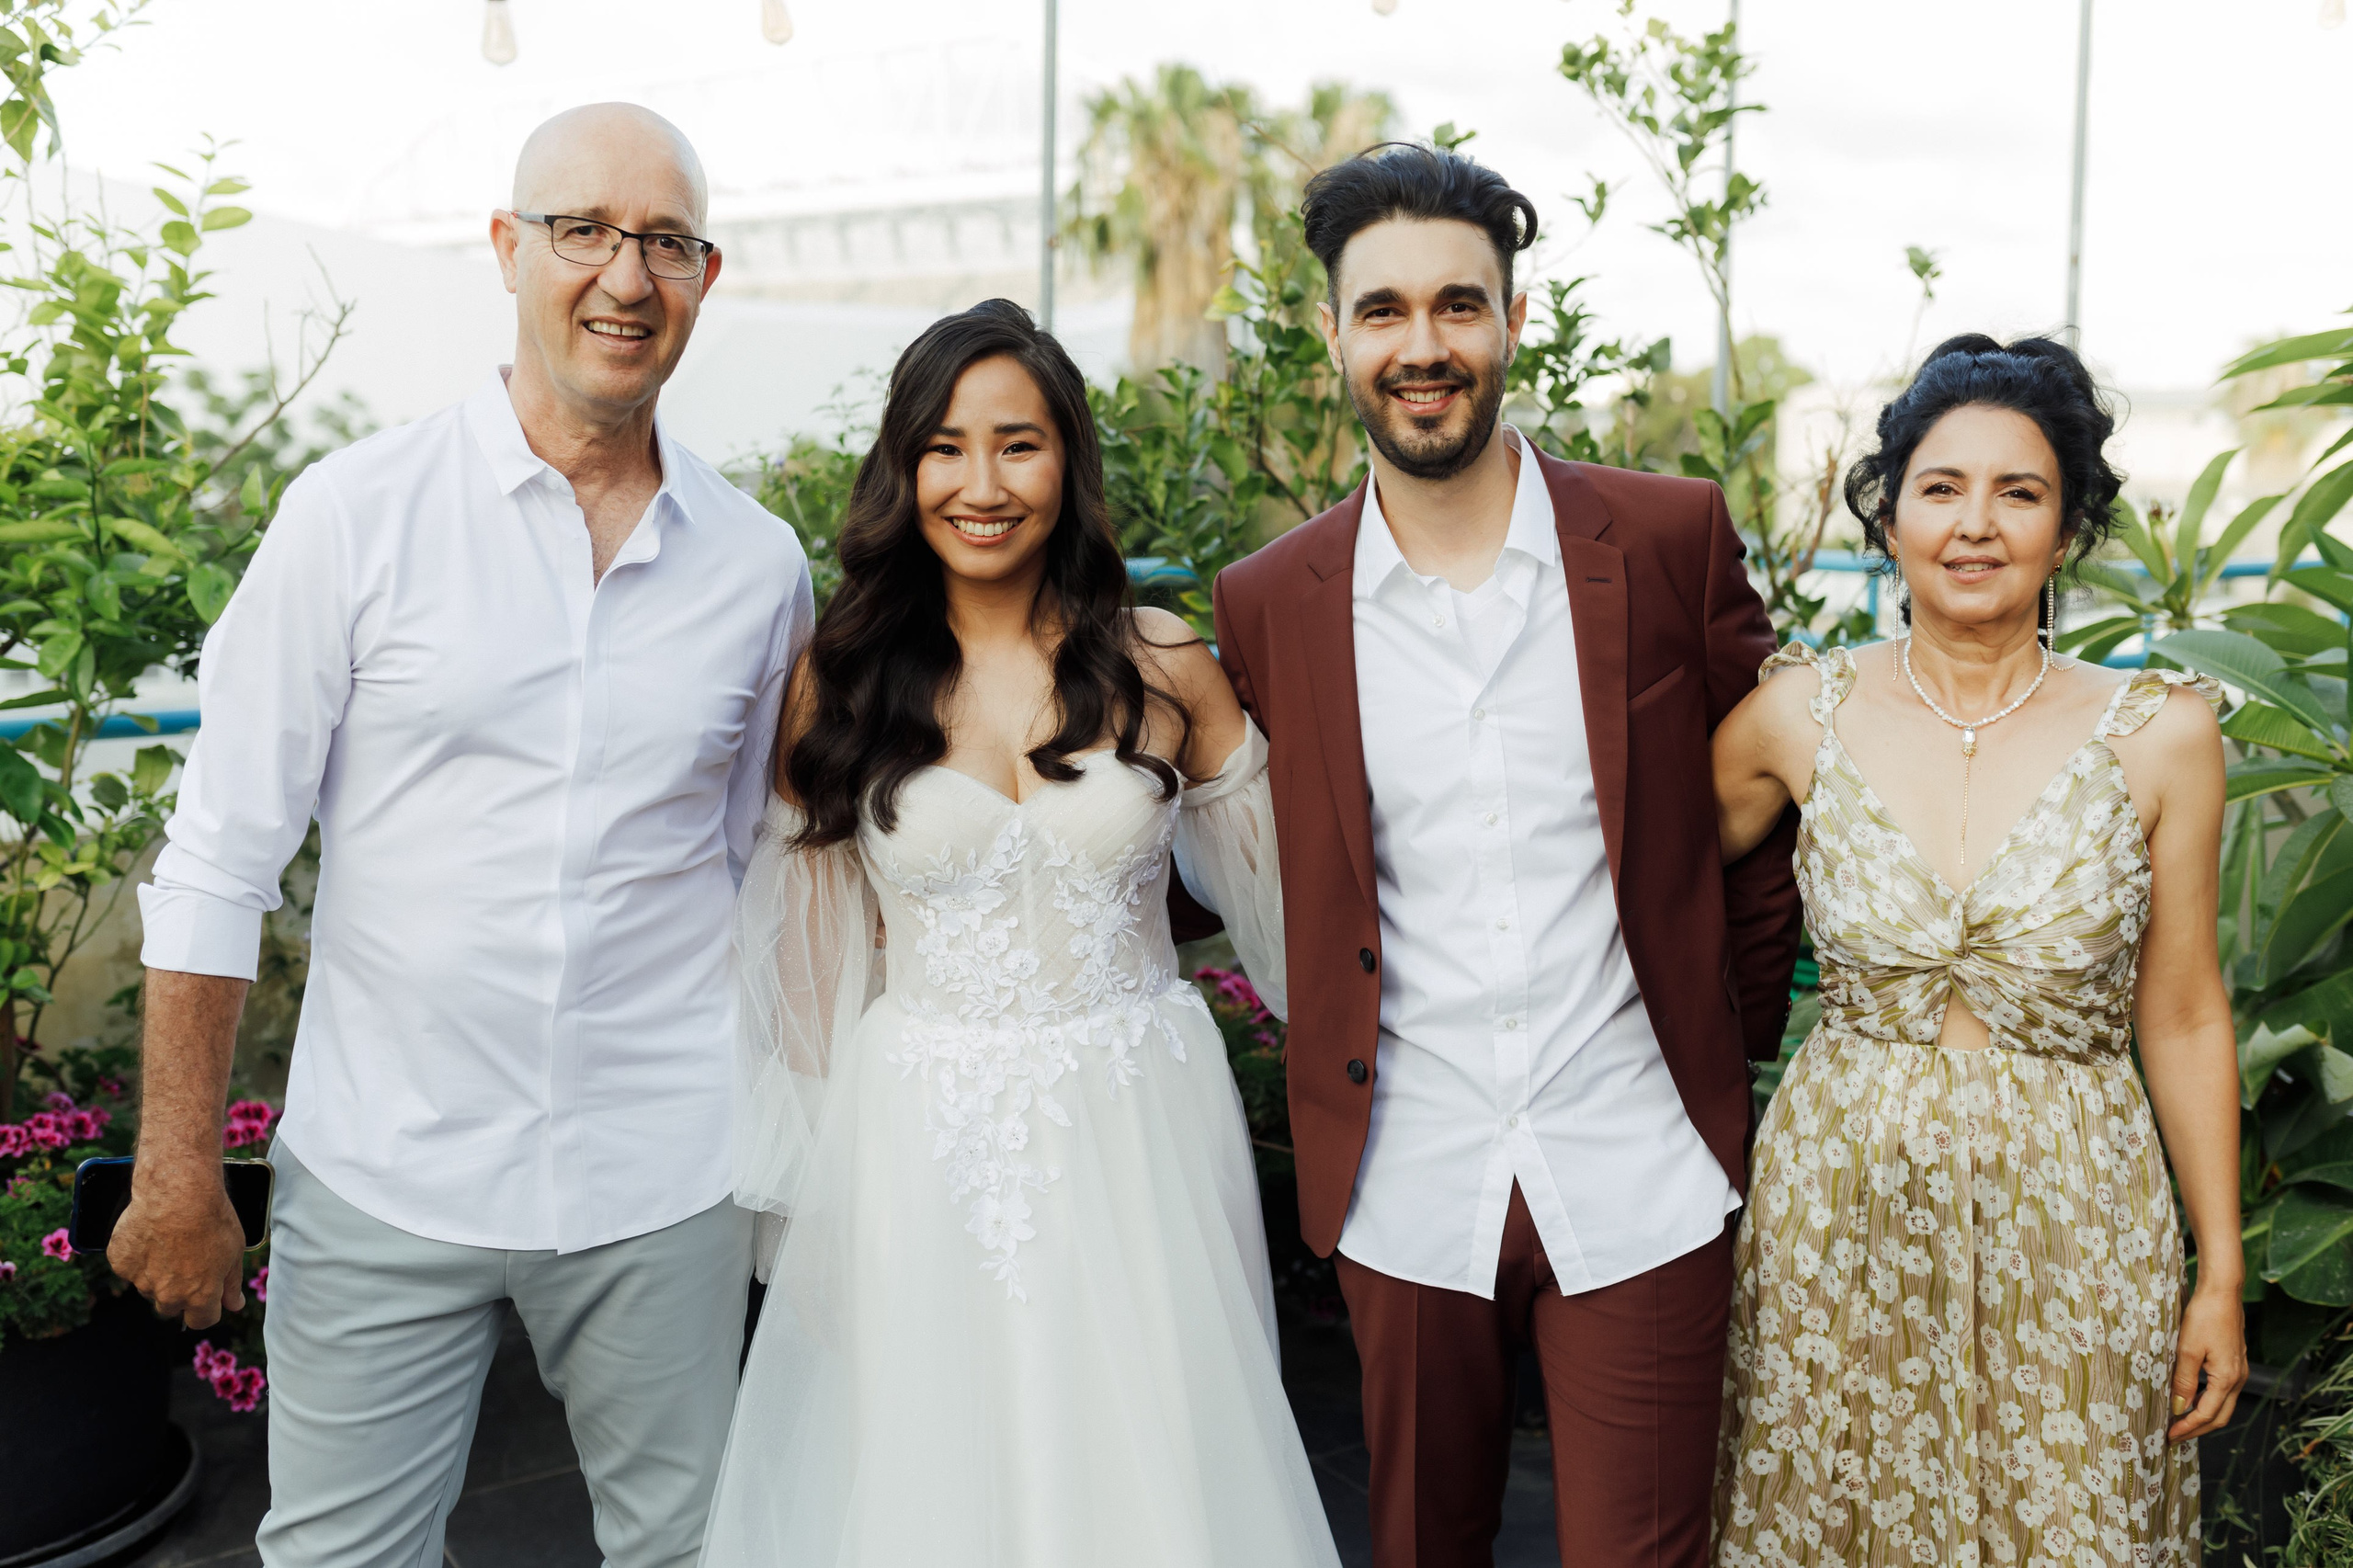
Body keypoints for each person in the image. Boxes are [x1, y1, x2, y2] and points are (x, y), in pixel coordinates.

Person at [109, 106, 810, 1567]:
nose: (626, 275)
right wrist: (175, 1171)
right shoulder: (351, 519)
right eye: (585, 231)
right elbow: (220, 857)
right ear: (507, 249)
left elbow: (758, 872)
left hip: (661, 1177)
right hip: (387, 1170)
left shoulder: (756, 566)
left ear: (705, 275)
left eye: (665, 242)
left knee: (702, 1548)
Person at [1210, 142, 1802, 1568]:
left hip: (1642, 1161)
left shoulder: (1667, 540)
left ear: (1514, 320)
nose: (1425, 346)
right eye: (1386, 311)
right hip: (1404, 1176)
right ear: (1334, 337)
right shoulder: (1269, 603)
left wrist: (1719, 1046)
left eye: (1459, 306)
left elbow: (1771, 806)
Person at [699, 299, 1337, 1567]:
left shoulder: (1163, 665)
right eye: (945, 445)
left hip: (1140, 1123)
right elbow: (811, 961)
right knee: (935, 1476)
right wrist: (819, 1218)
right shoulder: (843, 677)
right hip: (920, 1135)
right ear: (905, 467)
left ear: (1069, 462)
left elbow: (1302, 928)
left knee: (1158, 1470)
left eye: (1019, 444)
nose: (980, 483)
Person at [1709, 335, 2247, 1567]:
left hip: (2080, 1214)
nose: (1976, 524)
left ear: (2067, 532)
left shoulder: (2160, 734)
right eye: (1942, 487)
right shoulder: (1800, 714)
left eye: (2021, 491)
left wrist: (2216, 1272)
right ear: (1889, 514)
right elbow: (1646, 885)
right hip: (1838, 1209)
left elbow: (2184, 1013)